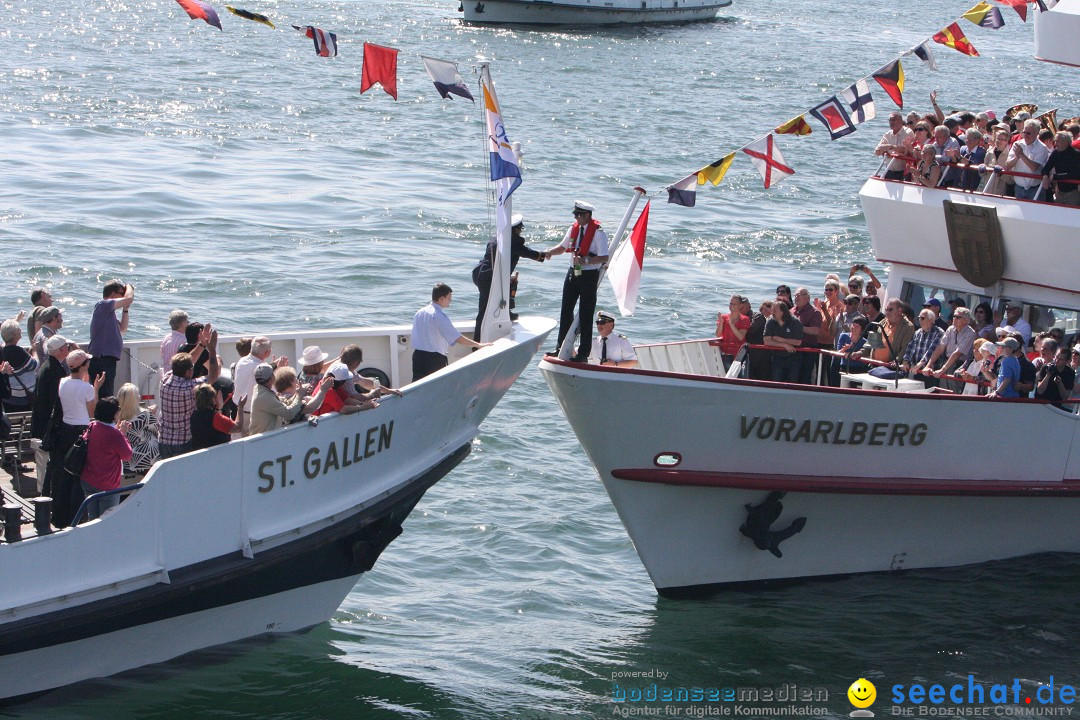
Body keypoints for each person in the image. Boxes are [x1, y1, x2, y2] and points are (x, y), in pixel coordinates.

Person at [545, 201, 610, 361]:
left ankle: (583, 354)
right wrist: (549, 252)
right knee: (565, 310)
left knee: (586, 314)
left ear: (587, 215)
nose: (576, 217)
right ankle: (560, 347)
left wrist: (586, 261)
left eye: (578, 215)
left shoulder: (598, 233)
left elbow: (604, 256)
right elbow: (563, 247)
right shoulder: (573, 228)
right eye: (575, 214)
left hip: (588, 276)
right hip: (573, 273)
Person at [48, 349, 103, 527]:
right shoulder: (86, 388)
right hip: (81, 431)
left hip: (65, 430)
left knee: (65, 473)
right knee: (79, 475)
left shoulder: (62, 382)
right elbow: (92, 412)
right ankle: (76, 516)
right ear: (83, 366)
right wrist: (95, 388)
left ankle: (60, 515)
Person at [472, 213, 545, 342]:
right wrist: (543, 255)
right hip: (488, 278)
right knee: (484, 312)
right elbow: (527, 253)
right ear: (515, 229)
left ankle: (507, 312)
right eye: (520, 229)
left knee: (511, 284)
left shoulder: (497, 238)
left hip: (481, 273)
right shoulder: (513, 241)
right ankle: (477, 343)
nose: (520, 232)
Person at [159, 325, 219, 458]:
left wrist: (202, 345)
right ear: (188, 371)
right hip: (183, 442)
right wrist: (212, 351)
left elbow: (187, 361)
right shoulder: (190, 387)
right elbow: (213, 375)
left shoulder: (165, 380)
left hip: (163, 440)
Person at [411, 283, 490, 381]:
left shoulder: (419, 312)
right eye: (449, 298)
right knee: (435, 388)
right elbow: (456, 337)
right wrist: (478, 345)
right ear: (441, 299)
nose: (450, 301)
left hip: (417, 356)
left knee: (418, 387)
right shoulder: (438, 315)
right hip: (433, 359)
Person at [78, 396, 133, 520]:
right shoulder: (115, 435)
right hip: (107, 484)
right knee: (107, 520)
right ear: (113, 414)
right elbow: (127, 455)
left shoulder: (92, 426)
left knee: (92, 518)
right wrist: (123, 434)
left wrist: (118, 431)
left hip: (88, 479)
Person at [30, 335, 70, 494]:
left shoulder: (47, 366)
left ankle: (44, 494)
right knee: (47, 464)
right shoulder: (55, 370)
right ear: (61, 350)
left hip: (40, 423)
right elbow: (55, 400)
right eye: (66, 346)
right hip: (46, 426)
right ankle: (46, 496)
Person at [247, 364, 332, 436]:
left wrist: (299, 394)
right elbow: (291, 413)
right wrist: (322, 390)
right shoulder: (264, 396)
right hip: (263, 443)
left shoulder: (260, 390)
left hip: (264, 440)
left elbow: (285, 403)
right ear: (271, 378)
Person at [87, 279, 135, 398]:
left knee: (106, 393)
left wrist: (125, 309)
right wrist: (129, 286)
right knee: (105, 395)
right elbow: (129, 299)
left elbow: (123, 328)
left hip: (107, 359)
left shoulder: (109, 313)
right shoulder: (103, 305)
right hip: (102, 359)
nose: (123, 297)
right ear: (113, 294)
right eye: (121, 294)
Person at [234, 336, 287, 417]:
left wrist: (273, 366)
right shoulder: (263, 367)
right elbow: (274, 391)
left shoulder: (241, 361)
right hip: (254, 414)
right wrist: (280, 370)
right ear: (267, 353)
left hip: (239, 411)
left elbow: (254, 369)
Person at [927, 306, 976, 391]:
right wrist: (929, 365)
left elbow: (957, 353)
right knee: (942, 390)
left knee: (954, 391)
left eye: (958, 317)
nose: (954, 319)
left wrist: (942, 369)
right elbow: (941, 346)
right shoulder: (950, 329)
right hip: (946, 362)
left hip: (959, 365)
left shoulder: (970, 333)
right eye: (954, 316)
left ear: (966, 320)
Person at [859, 299, 914, 369]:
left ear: (899, 311)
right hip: (873, 365)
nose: (887, 312)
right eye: (886, 309)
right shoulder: (882, 322)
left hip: (890, 369)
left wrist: (897, 360)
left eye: (890, 310)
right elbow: (871, 343)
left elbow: (905, 348)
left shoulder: (908, 327)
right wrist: (860, 352)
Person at [117, 383, 158, 474]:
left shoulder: (118, 417)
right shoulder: (145, 414)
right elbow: (155, 431)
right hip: (147, 460)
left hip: (129, 462)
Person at [1006, 119, 1051, 200]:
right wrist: (1017, 157)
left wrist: (1021, 154)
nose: (1025, 135)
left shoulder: (1042, 148)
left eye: (1028, 133)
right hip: (1018, 188)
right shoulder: (1017, 144)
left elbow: (1034, 167)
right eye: (1024, 132)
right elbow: (1008, 165)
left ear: (1037, 133)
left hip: (1035, 189)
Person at [1, 319, 38, 414]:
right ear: (14, 335)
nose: (21, 331)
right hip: (23, 397)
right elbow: (34, 365)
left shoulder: (2, 351)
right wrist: (35, 351)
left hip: (7, 397)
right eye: (18, 329)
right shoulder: (19, 352)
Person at [763, 300, 804, 383]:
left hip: (793, 358)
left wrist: (780, 339)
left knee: (792, 383)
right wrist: (784, 345)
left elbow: (798, 342)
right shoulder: (770, 321)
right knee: (776, 383)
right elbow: (767, 341)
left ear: (782, 312)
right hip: (777, 358)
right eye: (772, 310)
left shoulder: (795, 322)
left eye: (775, 311)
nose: (772, 313)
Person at [902, 309, 945, 386]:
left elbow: (932, 350)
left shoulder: (939, 332)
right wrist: (906, 361)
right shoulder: (917, 333)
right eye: (919, 318)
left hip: (931, 373)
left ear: (931, 320)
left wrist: (920, 364)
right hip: (917, 372)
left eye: (922, 318)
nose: (919, 320)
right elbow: (910, 348)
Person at [190, 383, 239, 449]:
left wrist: (218, 408)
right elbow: (238, 428)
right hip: (217, 453)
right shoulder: (215, 417)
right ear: (212, 399)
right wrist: (240, 408)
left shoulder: (194, 415)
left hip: (199, 452)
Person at [1040, 131, 1080, 207]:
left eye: (1058, 141)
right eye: (1055, 141)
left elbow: (1074, 174)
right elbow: (1046, 168)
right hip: (1059, 191)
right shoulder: (1055, 153)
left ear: (1066, 143)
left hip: (1073, 193)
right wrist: (1045, 176)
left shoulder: (1076, 155)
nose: (1055, 144)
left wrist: (1056, 177)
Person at [792, 288, 822, 384]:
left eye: (799, 295)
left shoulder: (814, 312)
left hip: (807, 351)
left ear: (808, 298)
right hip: (792, 350)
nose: (797, 297)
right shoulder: (791, 311)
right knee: (792, 378)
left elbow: (815, 331)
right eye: (795, 295)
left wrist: (799, 328)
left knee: (805, 377)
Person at [876, 112, 915, 180]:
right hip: (889, 170)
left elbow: (905, 149)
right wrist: (883, 152)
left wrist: (890, 147)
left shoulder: (908, 132)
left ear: (900, 121)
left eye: (893, 120)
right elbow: (877, 151)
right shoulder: (887, 135)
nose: (891, 122)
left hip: (903, 172)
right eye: (890, 120)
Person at [715, 295, 751, 367]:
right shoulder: (723, 318)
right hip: (725, 353)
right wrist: (721, 323)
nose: (732, 306)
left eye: (735, 304)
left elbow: (740, 337)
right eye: (731, 303)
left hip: (738, 354)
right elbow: (718, 334)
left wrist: (731, 324)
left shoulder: (745, 319)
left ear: (740, 305)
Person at [745, 300, 774, 381]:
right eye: (762, 310)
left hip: (767, 352)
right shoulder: (760, 318)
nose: (764, 312)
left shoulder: (772, 320)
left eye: (766, 310)